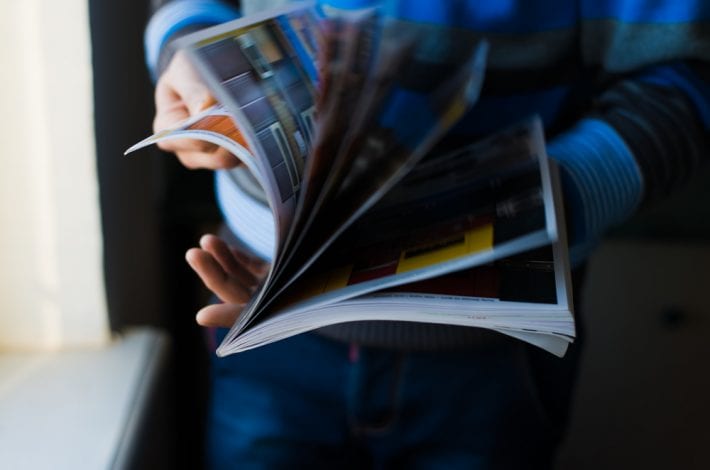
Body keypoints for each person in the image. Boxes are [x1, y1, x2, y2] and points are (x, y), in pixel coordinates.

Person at [145, 0, 710, 467]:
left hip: (488, 345)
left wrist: (533, 206)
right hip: (261, 321)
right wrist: (190, 52)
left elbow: (682, 83)